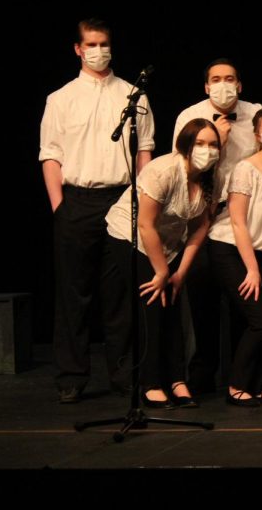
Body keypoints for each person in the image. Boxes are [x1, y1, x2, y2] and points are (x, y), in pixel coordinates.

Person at [39, 18, 155, 403]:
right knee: (74, 294)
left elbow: (144, 153)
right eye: (91, 44)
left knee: (120, 293)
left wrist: (140, 200)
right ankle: (72, 375)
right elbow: (51, 155)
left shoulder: (131, 94)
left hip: (121, 200)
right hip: (76, 202)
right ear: (78, 48)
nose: (98, 50)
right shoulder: (61, 98)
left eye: (104, 43)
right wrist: (60, 206)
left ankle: (123, 375)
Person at [105, 118, 219, 408]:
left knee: (174, 305)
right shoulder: (164, 170)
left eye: (213, 144)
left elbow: (201, 227)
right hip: (131, 237)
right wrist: (161, 271)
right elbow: (145, 224)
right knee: (153, 305)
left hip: (168, 245)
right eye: (200, 144)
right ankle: (151, 382)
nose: (207, 150)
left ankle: (177, 379)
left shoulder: (209, 177)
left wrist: (179, 272)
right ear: (185, 145)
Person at [174, 59, 262, 395]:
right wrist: (219, 142)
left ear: (239, 85)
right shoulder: (189, 116)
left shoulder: (254, 113)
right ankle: (201, 373)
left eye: (230, 79)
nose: (224, 85)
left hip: (241, 217)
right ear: (206, 86)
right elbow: (184, 168)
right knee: (202, 297)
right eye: (216, 79)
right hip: (201, 214)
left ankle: (241, 374)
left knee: (244, 296)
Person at [207, 106, 262, 407]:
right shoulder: (245, 169)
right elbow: (237, 221)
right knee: (260, 321)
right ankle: (238, 385)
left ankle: (258, 385)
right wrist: (252, 270)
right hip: (231, 250)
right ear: (258, 136)